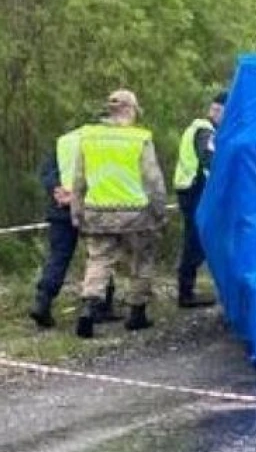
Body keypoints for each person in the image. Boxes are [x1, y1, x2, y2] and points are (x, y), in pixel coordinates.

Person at [71, 89, 168, 339]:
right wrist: (160, 211)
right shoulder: (139, 139)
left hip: (97, 212)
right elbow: (153, 179)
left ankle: (89, 308)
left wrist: (77, 210)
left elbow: (79, 179)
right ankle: (137, 313)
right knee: (141, 261)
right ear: (128, 110)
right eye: (135, 111)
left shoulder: (89, 137)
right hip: (135, 214)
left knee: (98, 260)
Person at [27, 121, 116, 329]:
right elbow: (104, 175)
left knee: (58, 256)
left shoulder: (63, 142)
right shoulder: (100, 142)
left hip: (61, 209)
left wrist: (59, 191)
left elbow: (47, 173)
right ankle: (99, 306)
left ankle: (42, 302)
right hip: (92, 206)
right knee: (100, 256)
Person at [173, 91, 224, 308]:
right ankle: (186, 293)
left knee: (195, 239)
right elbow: (209, 159)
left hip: (188, 189)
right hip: (195, 190)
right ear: (217, 110)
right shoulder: (205, 131)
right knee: (195, 240)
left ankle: (187, 289)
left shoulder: (198, 128)